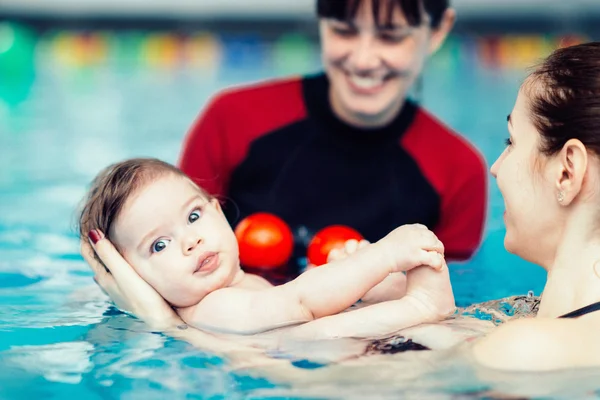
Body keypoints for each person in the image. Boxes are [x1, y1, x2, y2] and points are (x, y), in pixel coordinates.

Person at [83, 42, 600, 372]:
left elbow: (307, 385)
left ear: (567, 171)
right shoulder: (524, 321)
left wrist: (168, 327)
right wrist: (392, 287)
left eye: (510, 142)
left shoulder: (524, 349)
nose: (496, 167)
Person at [178, 0, 487, 273]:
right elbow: (172, 256)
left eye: (391, 36)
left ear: (437, 30)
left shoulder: (458, 169)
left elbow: (449, 306)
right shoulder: (232, 119)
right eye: (344, 31)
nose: (363, 60)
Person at [79, 158, 455, 335]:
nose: (190, 241)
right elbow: (299, 304)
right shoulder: (209, 308)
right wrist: (382, 256)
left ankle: (405, 300)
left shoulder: (245, 284)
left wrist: (367, 284)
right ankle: (420, 305)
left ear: (217, 210)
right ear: (132, 276)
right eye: (159, 245)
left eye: (193, 217)